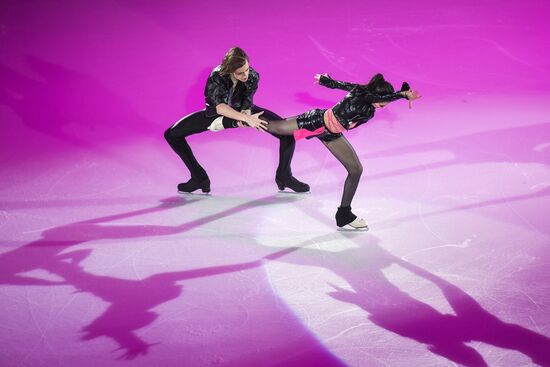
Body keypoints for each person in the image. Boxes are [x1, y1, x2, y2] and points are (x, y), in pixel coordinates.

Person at [265, 72, 421, 229]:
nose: (384, 106)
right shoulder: (362, 93)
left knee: (356, 169)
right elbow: (346, 87)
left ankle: (344, 214)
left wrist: (402, 95)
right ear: (374, 95)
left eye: (386, 103)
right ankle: (243, 117)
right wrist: (402, 95)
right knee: (274, 127)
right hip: (315, 121)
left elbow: (374, 97)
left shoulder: (371, 104)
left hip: (330, 134)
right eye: (383, 102)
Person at [164, 47, 309, 194]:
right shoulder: (217, 76)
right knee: (171, 135)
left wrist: (247, 116)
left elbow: (247, 101)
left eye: (246, 69)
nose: (245, 74)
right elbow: (220, 107)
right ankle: (199, 177)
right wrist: (245, 118)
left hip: (242, 111)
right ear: (229, 70)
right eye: (240, 73)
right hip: (216, 114)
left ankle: (284, 176)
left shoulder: (252, 75)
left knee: (287, 132)